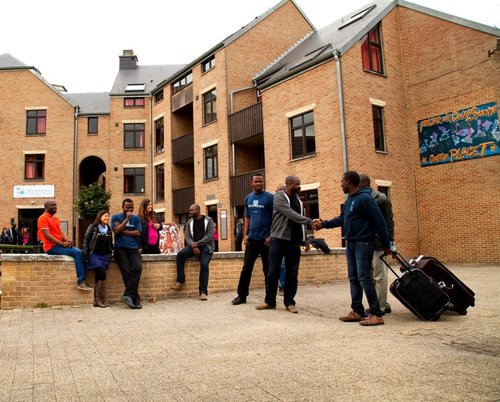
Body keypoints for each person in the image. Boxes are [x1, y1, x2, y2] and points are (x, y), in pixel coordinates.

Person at [313, 171, 391, 326]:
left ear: (349, 181)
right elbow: (342, 219)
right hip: (352, 244)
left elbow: (380, 222)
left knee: (364, 278)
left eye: (342, 182)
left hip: (363, 243)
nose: (341, 184)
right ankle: (357, 311)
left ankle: (376, 314)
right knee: (354, 278)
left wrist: (387, 245)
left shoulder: (365, 199)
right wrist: (323, 224)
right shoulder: (350, 199)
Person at [256, 175, 313, 314]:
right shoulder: (279, 198)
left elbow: (299, 221)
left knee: (292, 273)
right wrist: (310, 221)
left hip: (294, 241)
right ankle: (270, 301)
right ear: (289, 184)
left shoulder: (298, 201)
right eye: (297, 184)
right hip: (278, 240)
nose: (299, 187)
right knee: (272, 271)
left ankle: (290, 302)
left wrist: (306, 239)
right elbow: (290, 214)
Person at [231, 173, 274, 305]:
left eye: (261, 181)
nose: (258, 184)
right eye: (256, 182)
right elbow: (247, 218)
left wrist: (270, 235)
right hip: (252, 239)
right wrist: (245, 234)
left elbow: (275, 218)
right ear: (252, 183)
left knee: (268, 269)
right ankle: (242, 296)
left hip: (266, 240)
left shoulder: (270, 198)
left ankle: (270, 299)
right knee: (246, 268)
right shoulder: (248, 198)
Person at [359, 174, 395, 315]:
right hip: (365, 243)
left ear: (367, 183)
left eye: (360, 183)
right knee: (369, 276)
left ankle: (379, 307)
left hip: (379, 244)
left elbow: (389, 222)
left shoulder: (381, 198)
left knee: (380, 276)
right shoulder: (360, 198)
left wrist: (390, 243)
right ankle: (381, 303)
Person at [37, 199, 91, 291]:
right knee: (78, 253)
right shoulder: (42, 218)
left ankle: (84, 279)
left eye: (55, 205)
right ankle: (81, 282)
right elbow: (47, 235)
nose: (55, 207)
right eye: (52, 205)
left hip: (59, 245)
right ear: (46, 208)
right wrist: (63, 244)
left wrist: (68, 241)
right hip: (51, 247)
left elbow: (61, 233)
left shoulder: (56, 218)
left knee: (81, 252)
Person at [171, 204, 214, 301]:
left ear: (198, 211)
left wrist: (196, 244)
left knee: (204, 264)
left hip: (206, 246)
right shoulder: (189, 222)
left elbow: (209, 236)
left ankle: (203, 292)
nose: (190, 212)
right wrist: (193, 246)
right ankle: (180, 281)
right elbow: (187, 236)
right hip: (193, 246)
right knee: (180, 255)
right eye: (189, 210)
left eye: (192, 210)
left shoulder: (208, 220)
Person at [112, 198, 143, 309]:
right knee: (126, 272)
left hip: (133, 248)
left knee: (138, 267)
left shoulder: (136, 219)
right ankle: (135, 298)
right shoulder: (116, 217)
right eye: (127, 208)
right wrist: (126, 220)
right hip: (120, 249)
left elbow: (138, 232)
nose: (129, 210)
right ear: (122, 207)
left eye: (131, 207)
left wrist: (123, 231)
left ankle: (128, 295)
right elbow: (116, 231)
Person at [82, 210, 113, 308]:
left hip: (104, 256)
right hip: (94, 254)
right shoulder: (93, 227)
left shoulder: (108, 228)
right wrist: (85, 254)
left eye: (108, 216)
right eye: (105, 216)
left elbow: (110, 242)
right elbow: (86, 240)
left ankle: (99, 300)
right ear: (100, 217)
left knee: (99, 276)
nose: (107, 218)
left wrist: (111, 252)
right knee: (101, 273)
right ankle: (98, 298)